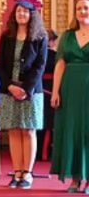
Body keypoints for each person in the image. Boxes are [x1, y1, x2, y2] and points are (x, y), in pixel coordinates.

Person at [0, 0, 48, 190]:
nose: (21, 14)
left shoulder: (40, 37)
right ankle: (17, 172)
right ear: (14, 14)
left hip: (31, 92)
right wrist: (9, 86)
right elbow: (0, 65)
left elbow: (40, 66)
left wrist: (25, 89)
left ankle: (28, 173)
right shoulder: (6, 36)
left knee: (28, 130)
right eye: (18, 11)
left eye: (25, 11)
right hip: (9, 89)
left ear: (32, 14)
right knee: (14, 130)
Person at [50, 0, 89, 193]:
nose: (82, 11)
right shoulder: (67, 36)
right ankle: (75, 178)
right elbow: (60, 64)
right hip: (70, 88)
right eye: (79, 8)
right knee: (73, 131)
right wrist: (55, 91)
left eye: (86, 8)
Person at [37, 29, 58, 160]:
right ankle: (47, 153)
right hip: (51, 89)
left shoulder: (36, 55)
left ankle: (38, 152)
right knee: (50, 124)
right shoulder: (55, 56)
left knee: (40, 123)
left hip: (38, 90)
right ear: (52, 41)